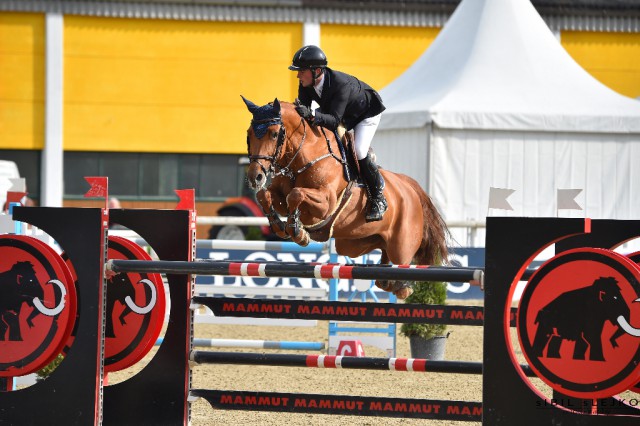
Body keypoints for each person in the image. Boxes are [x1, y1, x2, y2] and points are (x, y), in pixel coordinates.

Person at [288, 45, 387, 222]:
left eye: (301, 71)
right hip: (342, 113)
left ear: (316, 71)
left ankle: (379, 198)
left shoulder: (341, 85)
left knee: (359, 150)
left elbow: (333, 120)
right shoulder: (306, 82)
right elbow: (304, 113)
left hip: (366, 113)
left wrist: (311, 114)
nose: (298, 75)